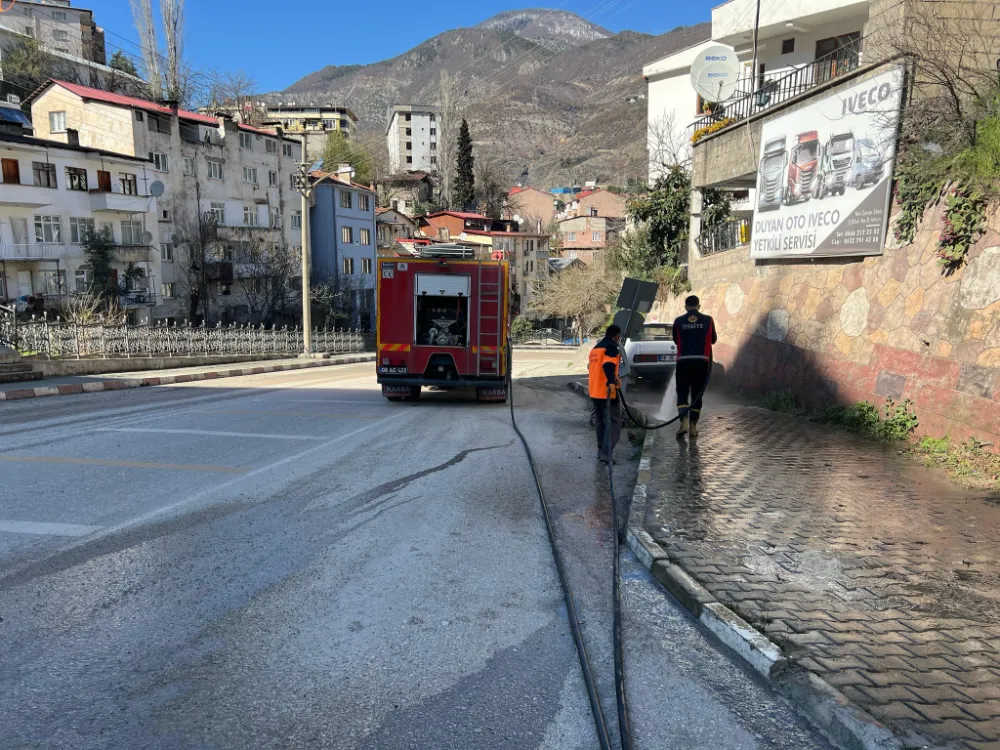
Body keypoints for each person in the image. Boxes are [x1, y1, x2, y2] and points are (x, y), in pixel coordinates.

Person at [672, 295, 717, 439]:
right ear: (699, 306)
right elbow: (714, 340)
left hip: (683, 362)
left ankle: (683, 422)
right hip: (701, 363)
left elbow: (675, 340)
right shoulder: (708, 320)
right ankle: (693, 427)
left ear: (685, 307)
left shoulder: (678, 321)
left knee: (682, 394)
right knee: (697, 395)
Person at [588, 324, 622, 463]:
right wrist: (611, 382)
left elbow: (592, 368)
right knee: (613, 421)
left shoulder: (595, 349)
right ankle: (607, 453)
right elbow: (608, 365)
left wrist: (614, 378)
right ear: (617, 336)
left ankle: (600, 450)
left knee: (600, 421)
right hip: (607, 391)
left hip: (594, 390)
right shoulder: (611, 347)